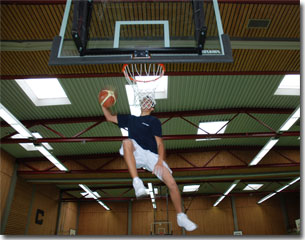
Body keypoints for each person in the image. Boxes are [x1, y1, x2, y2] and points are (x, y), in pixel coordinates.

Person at [101, 95, 197, 232]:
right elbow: (109, 117)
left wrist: (159, 161)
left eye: (149, 101)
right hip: (137, 152)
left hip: (152, 155)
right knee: (126, 142)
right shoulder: (130, 119)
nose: (146, 102)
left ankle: (181, 216)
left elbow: (160, 144)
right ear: (140, 104)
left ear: (152, 107)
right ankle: (137, 182)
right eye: (144, 100)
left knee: (172, 184)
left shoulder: (154, 121)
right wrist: (103, 105)